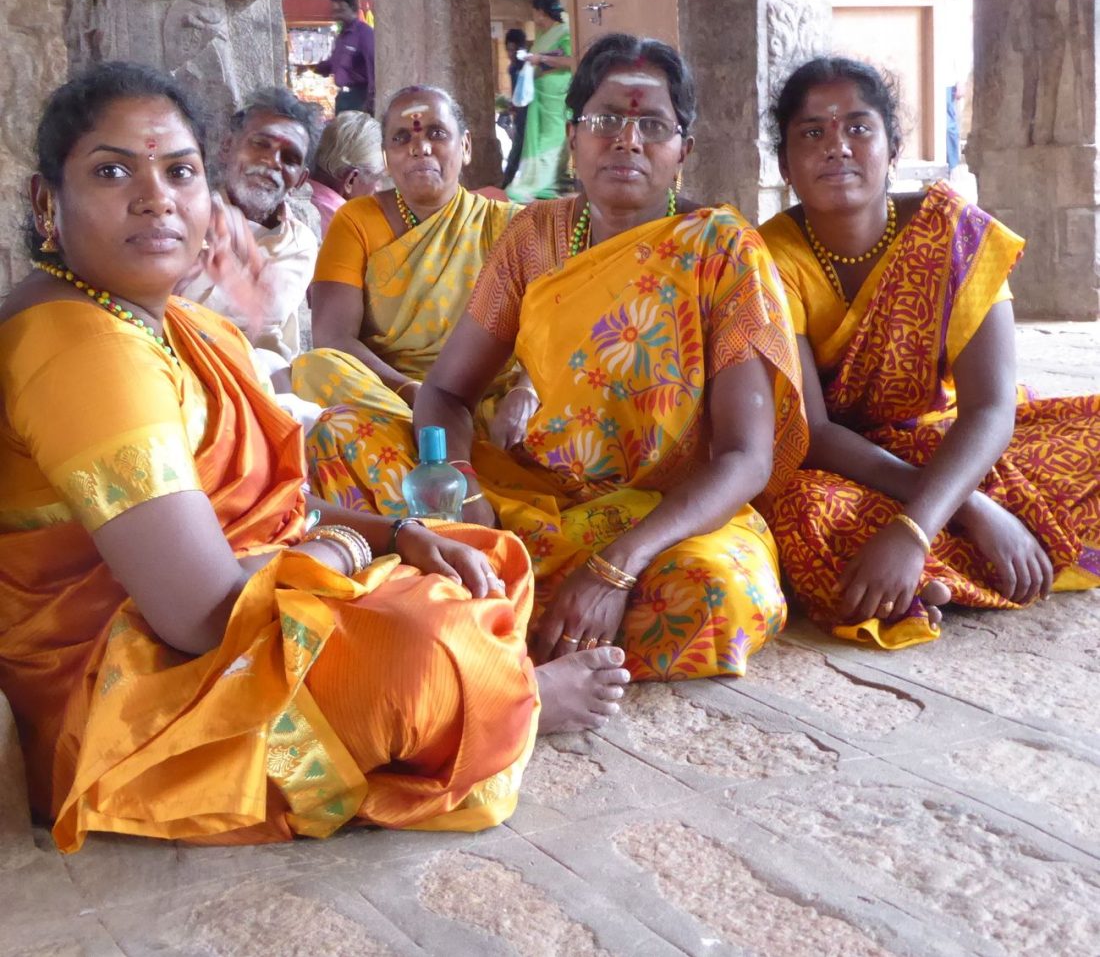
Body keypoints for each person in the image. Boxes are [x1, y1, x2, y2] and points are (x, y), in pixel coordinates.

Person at [0, 62, 629, 853]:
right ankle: (512, 700)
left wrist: (392, 531)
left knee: (478, 554)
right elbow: (204, 619)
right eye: (112, 170)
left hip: (212, 601)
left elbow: (252, 512)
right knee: (421, 656)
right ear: (43, 202)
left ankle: (473, 674)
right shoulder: (78, 345)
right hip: (120, 689)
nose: (155, 196)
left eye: (180, 171)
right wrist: (346, 549)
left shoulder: (169, 326)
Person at [308, 34, 807, 681]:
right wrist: (461, 485)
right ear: (572, 137)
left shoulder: (724, 251)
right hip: (527, 497)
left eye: (651, 124)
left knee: (717, 594)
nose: (626, 140)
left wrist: (616, 566)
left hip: (659, 517)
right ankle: (492, 597)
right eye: (605, 120)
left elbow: (747, 459)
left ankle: (472, 609)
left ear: (684, 148)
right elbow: (447, 392)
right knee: (341, 434)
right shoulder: (533, 236)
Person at [759, 56, 1100, 651]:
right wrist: (957, 511)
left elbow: (990, 410)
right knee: (800, 514)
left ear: (893, 149)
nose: (838, 147)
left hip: (946, 444)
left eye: (859, 128)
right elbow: (811, 430)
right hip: (843, 464)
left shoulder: (956, 234)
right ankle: (940, 563)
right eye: (812, 132)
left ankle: (926, 572)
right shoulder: (767, 258)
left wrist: (918, 524)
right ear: (786, 164)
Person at [292, 84, 538, 496]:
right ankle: (438, 474)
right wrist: (416, 395)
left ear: (466, 146)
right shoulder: (358, 220)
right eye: (402, 138)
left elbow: (549, 324)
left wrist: (526, 391)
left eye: (436, 134)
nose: (420, 148)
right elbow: (332, 338)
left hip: (490, 402)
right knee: (314, 368)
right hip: (393, 400)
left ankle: (425, 478)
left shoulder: (509, 224)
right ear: (387, 156)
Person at [176, 87, 322, 365]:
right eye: (260, 144)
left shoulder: (298, 242)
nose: (271, 162)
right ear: (227, 149)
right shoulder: (184, 214)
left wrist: (215, 264)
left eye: (289, 158)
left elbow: (262, 312)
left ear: (300, 180)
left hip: (260, 373)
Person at [504, 0, 573, 203]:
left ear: (542, 13)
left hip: (555, 95)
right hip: (540, 96)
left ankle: (546, 182)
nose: (535, 18)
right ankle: (541, 181)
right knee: (537, 139)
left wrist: (540, 58)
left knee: (550, 139)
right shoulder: (545, 35)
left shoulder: (564, 33)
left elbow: (570, 60)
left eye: (536, 13)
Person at [309, 111, 389, 235]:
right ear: (351, 180)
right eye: (377, 178)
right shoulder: (348, 227)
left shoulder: (289, 196)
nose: (379, 188)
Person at [307, 0, 376, 115]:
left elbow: (372, 65)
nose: (336, 12)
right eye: (334, 8)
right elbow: (333, 63)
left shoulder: (364, 33)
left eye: (341, 8)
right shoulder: (342, 36)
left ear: (353, 9)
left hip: (360, 97)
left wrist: (371, 100)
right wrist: (311, 67)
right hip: (344, 97)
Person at [502, 27, 530, 188]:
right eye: (509, 49)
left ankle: (507, 181)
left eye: (515, 49)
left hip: (528, 110)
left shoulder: (526, 66)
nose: (511, 53)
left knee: (519, 145)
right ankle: (508, 180)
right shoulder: (512, 67)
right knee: (518, 144)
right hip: (519, 111)